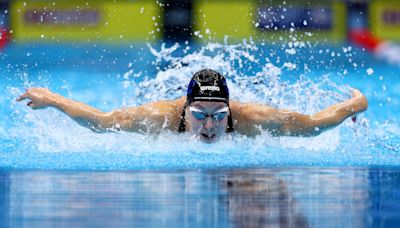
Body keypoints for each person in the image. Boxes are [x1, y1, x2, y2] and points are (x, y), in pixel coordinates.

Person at [16, 69, 368, 143]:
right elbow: (101, 121)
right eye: (200, 115)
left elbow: (312, 125)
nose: (210, 125)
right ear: (186, 110)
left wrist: (355, 104)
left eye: (219, 115)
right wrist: (53, 100)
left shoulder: (251, 118)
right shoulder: (159, 117)